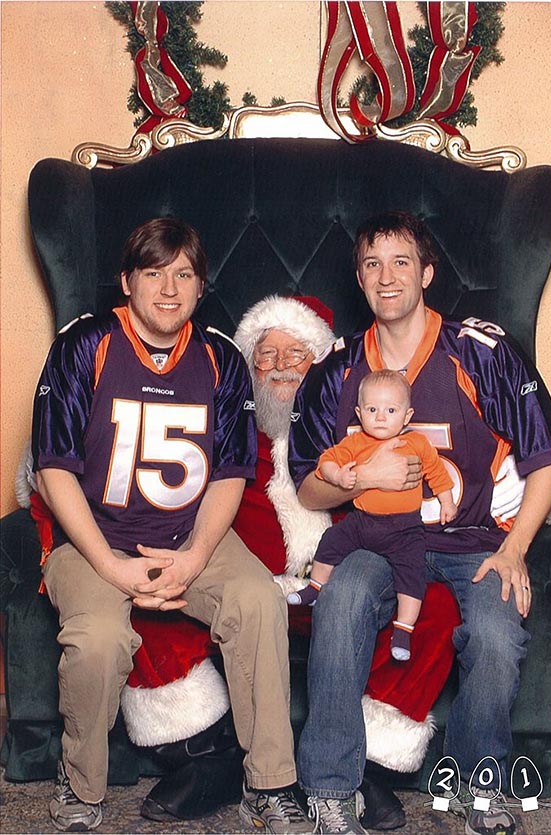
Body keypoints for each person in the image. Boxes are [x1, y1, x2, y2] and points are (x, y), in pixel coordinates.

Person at [116, 294, 462, 829]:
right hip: (241, 593)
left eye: (296, 354)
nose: (280, 366)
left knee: (434, 607)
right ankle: (210, 754)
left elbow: (433, 484)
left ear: (320, 364)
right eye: (265, 354)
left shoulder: (368, 436)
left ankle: (362, 762)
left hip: (339, 590)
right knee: (148, 594)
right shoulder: (218, 427)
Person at [289, 211, 551, 835]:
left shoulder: (481, 350)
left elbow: (550, 457)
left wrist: (516, 549)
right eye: (371, 264)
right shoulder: (335, 370)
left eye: (401, 262)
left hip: (474, 540)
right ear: (358, 279)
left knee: (498, 636)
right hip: (380, 539)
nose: (386, 277)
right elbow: (308, 489)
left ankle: (480, 786)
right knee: (341, 598)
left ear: (427, 273)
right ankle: (330, 789)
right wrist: (363, 478)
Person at [30, 218, 310, 834]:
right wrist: (113, 567)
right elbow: (53, 470)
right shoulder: (85, 345)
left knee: (259, 600)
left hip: (191, 533)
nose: (168, 289)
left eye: (183, 274)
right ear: (126, 281)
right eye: (153, 273)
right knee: (99, 640)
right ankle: (80, 788)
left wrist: (193, 555)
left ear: (200, 286)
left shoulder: (219, 358)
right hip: (94, 536)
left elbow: (230, 474)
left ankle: (271, 784)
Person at [288, 369, 457, 661]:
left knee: (412, 576)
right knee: (330, 541)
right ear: (359, 412)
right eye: (372, 409)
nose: (380, 417)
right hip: (363, 522)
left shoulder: (416, 443)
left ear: (407, 416)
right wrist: (338, 475)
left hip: (405, 529)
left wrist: (447, 502)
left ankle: (403, 629)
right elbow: (326, 461)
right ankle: (315, 587)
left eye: (391, 410)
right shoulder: (356, 443)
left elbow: (436, 472)